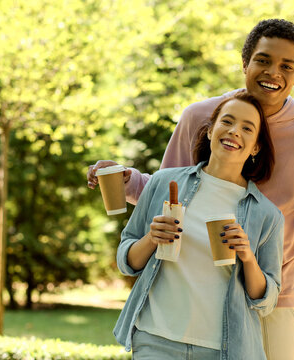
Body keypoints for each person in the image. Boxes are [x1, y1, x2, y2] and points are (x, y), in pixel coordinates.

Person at [90, 19, 294, 360]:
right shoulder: (200, 116)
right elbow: (172, 191)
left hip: (274, 294)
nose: (273, 73)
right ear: (245, 63)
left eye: (287, 66)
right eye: (263, 60)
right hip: (197, 291)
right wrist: (128, 182)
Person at [113, 92, 284, 360]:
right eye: (227, 122)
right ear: (210, 131)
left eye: (247, 128)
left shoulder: (267, 214)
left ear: (255, 147)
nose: (234, 131)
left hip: (222, 349)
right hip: (154, 339)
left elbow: (266, 300)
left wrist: (248, 257)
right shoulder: (162, 182)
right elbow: (127, 261)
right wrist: (150, 239)